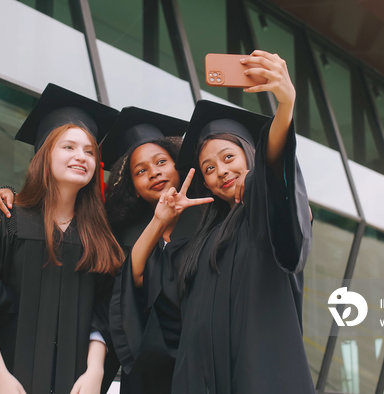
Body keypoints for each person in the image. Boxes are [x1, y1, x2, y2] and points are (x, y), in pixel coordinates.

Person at [0, 106, 210, 393]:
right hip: (149, 371)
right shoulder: (115, 234)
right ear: (132, 186)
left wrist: (95, 369)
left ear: (178, 162)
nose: (154, 173)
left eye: (161, 161)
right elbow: (119, 297)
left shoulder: (212, 220)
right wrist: (6, 193)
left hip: (207, 361)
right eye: (140, 170)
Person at [132, 50, 314, 393]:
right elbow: (147, 286)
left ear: (250, 154)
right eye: (209, 169)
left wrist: (286, 105)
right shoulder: (199, 245)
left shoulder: (261, 219)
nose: (221, 172)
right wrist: (160, 223)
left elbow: (275, 171)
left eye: (228, 157)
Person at [0, 84, 125, 394]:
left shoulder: (98, 236)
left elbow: (102, 312)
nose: (81, 157)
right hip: (3, 382)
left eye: (90, 151)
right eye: (69, 147)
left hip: (72, 382)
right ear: (43, 153)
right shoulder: (5, 219)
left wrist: (95, 371)